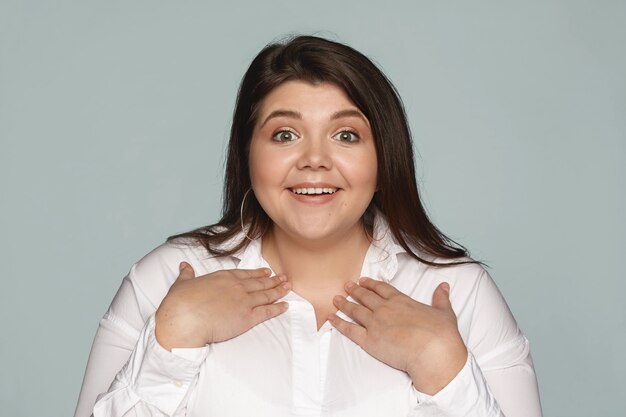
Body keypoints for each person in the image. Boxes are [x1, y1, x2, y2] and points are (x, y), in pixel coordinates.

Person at [74, 35, 542, 417]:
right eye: (285, 134)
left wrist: (444, 370)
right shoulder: (166, 278)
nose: (315, 160)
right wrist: (170, 340)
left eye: (345, 135)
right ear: (247, 154)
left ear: (384, 158)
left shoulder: (461, 293)